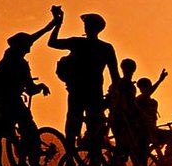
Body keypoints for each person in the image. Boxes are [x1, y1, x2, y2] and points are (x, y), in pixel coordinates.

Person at [0, 10, 59, 166]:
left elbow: (35, 37)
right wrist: (39, 87)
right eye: (27, 46)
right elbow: (30, 88)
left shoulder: (10, 60)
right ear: (22, 47)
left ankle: (14, 162)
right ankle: (24, 161)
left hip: (5, 100)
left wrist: (53, 24)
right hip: (8, 101)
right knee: (24, 128)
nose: (30, 48)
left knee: (8, 132)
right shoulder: (18, 63)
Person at [48, 10, 119, 157]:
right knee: (92, 124)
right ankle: (89, 159)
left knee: (76, 123)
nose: (86, 27)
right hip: (91, 92)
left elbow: (52, 42)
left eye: (87, 24)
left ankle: (73, 159)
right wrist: (113, 95)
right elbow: (115, 77)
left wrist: (58, 24)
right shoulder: (105, 48)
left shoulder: (78, 43)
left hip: (79, 90)